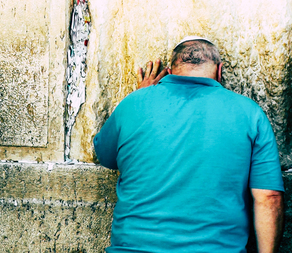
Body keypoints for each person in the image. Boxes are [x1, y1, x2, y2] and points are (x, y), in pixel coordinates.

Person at [94, 36, 284, 252]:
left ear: (170, 71)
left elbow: (105, 157)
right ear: (220, 72)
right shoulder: (250, 113)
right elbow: (269, 197)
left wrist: (141, 97)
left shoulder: (134, 103)